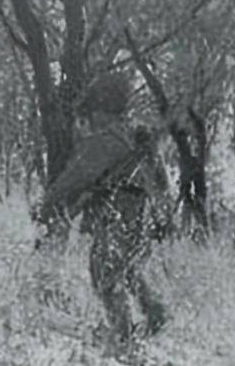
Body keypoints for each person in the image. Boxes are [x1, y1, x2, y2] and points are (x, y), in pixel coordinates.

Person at [36, 72, 170, 347]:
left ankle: (123, 338)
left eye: (92, 112)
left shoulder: (103, 141)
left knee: (105, 278)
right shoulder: (138, 136)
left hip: (115, 216)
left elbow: (71, 181)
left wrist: (45, 206)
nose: (89, 121)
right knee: (129, 272)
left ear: (100, 109)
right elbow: (163, 183)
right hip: (141, 218)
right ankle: (155, 313)